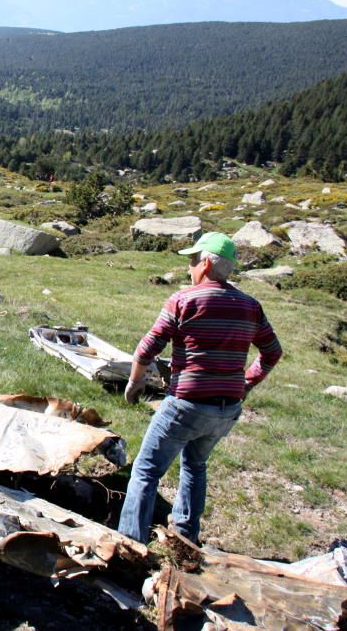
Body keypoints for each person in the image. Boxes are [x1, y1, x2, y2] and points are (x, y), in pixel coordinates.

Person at [118, 232, 282, 545]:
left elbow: (146, 349)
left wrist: (134, 381)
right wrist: (246, 383)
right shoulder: (250, 306)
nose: (189, 267)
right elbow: (272, 352)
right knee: (195, 464)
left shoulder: (183, 299)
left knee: (145, 470)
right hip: (226, 409)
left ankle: (130, 544)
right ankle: (186, 538)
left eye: (193, 260)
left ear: (205, 263)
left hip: (186, 404)